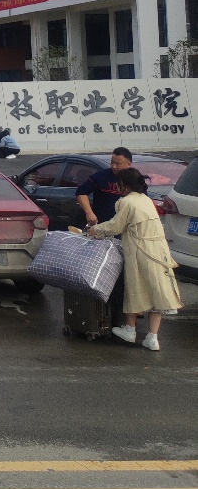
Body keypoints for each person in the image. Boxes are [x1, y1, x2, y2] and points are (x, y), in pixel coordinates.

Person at [88, 167, 184, 351]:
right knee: (157, 291)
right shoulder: (146, 200)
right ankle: (152, 338)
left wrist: (95, 229)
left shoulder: (126, 202)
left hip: (140, 250)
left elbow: (115, 226)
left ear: (124, 185)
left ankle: (130, 330)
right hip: (159, 250)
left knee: (135, 288)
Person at [77, 147, 132, 227]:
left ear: (129, 164)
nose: (114, 166)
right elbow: (81, 192)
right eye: (112, 162)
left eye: (118, 164)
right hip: (103, 225)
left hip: (127, 226)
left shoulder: (135, 179)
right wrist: (89, 213)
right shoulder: (101, 176)